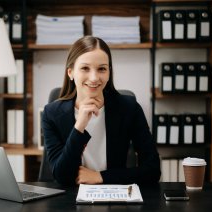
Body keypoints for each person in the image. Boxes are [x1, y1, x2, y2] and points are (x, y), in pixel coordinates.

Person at [42, 35, 161, 186]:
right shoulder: (51, 114)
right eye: (85, 68)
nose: (94, 78)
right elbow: (61, 176)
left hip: (114, 196)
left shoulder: (129, 108)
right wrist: (79, 126)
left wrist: (101, 177)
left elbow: (153, 170)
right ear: (70, 72)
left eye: (101, 69)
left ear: (109, 72)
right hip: (70, 201)